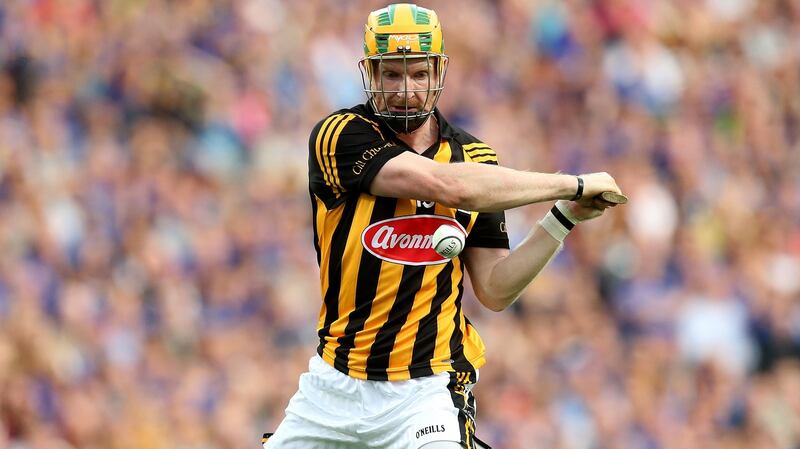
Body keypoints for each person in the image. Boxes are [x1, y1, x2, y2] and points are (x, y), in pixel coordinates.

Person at [262, 3, 623, 448]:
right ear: (370, 74)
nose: (405, 89)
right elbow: (446, 185)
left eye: (417, 74)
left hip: (425, 390)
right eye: (391, 74)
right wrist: (571, 185)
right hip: (333, 385)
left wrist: (563, 218)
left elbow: (493, 289)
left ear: (438, 73)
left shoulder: (476, 159)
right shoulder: (339, 135)